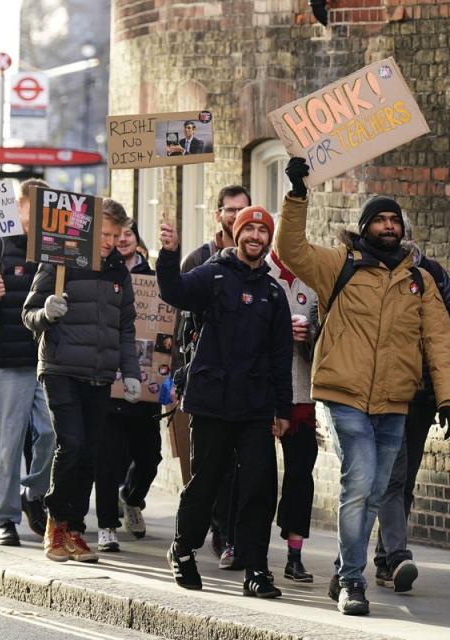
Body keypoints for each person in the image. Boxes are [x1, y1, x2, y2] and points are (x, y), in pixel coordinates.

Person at [275, 157, 450, 616]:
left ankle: (345, 564)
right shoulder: (340, 265)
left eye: (393, 220)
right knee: (359, 482)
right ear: (365, 227)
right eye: (379, 219)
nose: (387, 226)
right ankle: (352, 583)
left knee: (377, 490)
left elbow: (438, 341)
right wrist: (297, 195)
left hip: (395, 401)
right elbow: (292, 250)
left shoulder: (420, 281)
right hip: (344, 395)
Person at [158, 205, 293, 599]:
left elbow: (279, 356)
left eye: (262, 231)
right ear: (236, 233)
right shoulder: (213, 274)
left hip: (254, 406)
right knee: (206, 482)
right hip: (212, 400)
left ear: (268, 240)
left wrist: (282, 411)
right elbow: (174, 292)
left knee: (258, 487)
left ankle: (256, 568)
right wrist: (169, 254)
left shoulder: (272, 292)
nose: (255, 236)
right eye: (248, 229)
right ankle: (183, 549)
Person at [22, 198, 141, 563]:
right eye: (104, 233)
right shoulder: (60, 260)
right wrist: (46, 312)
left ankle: (74, 529)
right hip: (60, 368)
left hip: (99, 373)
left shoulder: (119, 270)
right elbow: (28, 314)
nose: (109, 241)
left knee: (90, 453)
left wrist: (132, 373)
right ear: (89, 228)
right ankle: (54, 521)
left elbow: (125, 327)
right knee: (71, 445)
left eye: (116, 235)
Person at [369, 213, 450, 594]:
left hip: (421, 392)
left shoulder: (430, 273)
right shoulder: (364, 269)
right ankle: (395, 556)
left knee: (405, 478)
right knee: (392, 477)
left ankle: (386, 558)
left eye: (398, 228)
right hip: (382, 390)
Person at [0, 178, 57, 546]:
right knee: (8, 444)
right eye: (35, 207)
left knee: (51, 434)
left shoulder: (55, 249)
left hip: (46, 359)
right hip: (7, 361)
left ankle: (33, 494)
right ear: (18, 209)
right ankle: (6, 519)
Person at [175, 184, 251, 566]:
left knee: (238, 467)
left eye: (244, 210)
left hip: (243, 383)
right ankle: (195, 535)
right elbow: (178, 320)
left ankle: (226, 534)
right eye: (230, 210)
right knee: (208, 467)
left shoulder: (259, 264)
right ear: (218, 215)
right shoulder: (198, 261)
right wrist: (177, 373)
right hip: (205, 377)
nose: (237, 216)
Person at [93, 215, 163, 552]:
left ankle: (132, 497)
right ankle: (107, 524)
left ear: (135, 237)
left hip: (144, 383)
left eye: (126, 234)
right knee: (107, 458)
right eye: (114, 234)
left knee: (150, 456)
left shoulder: (153, 279)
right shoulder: (102, 272)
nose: (121, 240)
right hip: (108, 380)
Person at [266, 249, 319, 583]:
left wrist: (309, 336)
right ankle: (240, 545)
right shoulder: (260, 273)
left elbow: (325, 338)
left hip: (300, 395)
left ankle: (294, 554)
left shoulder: (312, 281)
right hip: (262, 395)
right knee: (257, 478)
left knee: (301, 476)